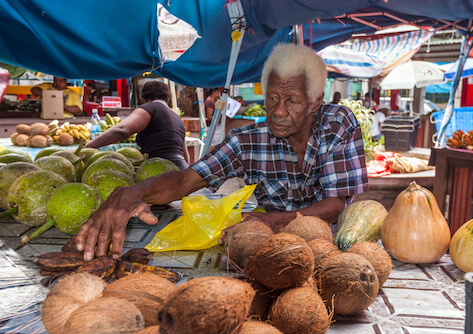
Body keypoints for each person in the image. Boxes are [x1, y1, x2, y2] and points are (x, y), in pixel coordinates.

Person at [76, 44, 369, 261]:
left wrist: (271, 220)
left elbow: (335, 205)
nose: (278, 111)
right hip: (269, 247)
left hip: (330, 247)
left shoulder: (336, 123)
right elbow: (184, 181)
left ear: (315, 102)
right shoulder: (246, 141)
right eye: (272, 98)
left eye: (292, 100)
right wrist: (134, 193)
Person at [84, 80, 190, 170]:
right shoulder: (177, 118)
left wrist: (87, 147)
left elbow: (122, 130)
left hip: (160, 169)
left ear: (143, 97)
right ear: (167, 99)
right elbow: (186, 156)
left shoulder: (150, 108)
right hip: (181, 170)